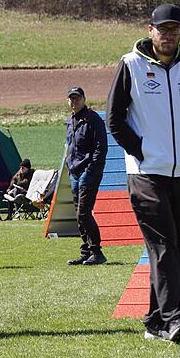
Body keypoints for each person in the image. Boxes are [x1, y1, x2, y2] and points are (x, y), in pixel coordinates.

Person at [106, 3, 180, 343]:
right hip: (146, 173)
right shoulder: (131, 65)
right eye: (162, 29)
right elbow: (114, 119)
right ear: (149, 29)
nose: (168, 35)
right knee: (164, 245)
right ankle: (173, 321)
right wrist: (141, 151)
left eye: (174, 30)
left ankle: (154, 319)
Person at [65, 86, 108, 265]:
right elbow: (70, 147)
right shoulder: (70, 121)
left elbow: (101, 147)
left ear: (84, 99)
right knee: (78, 214)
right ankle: (86, 251)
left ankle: (97, 252)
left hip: (88, 172)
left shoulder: (93, 119)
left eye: (77, 98)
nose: (74, 101)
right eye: (71, 98)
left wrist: (92, 168)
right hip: (74, 171)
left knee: (83, 212)